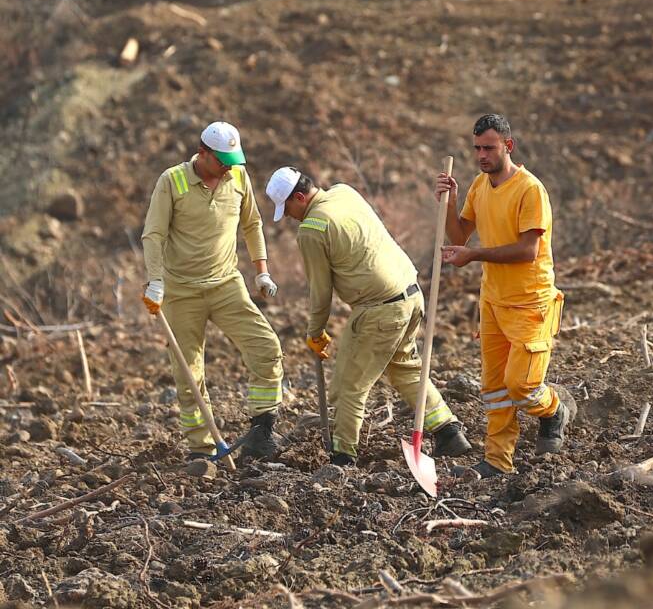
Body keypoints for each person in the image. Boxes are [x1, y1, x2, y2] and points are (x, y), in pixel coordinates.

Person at [266, 167, 471, 467]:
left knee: (349, 385)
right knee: (405, 369)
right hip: (411, 295)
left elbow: (320, 292)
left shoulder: (312, 228)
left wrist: (315, 332)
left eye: (288, 209)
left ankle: (343, 457)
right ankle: (449, 432)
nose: (288, 217)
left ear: (299, 197)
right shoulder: (344, 191)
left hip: (379, 309)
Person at [436, 114, 572, 479]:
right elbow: (459, 235)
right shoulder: (480, 186)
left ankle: (553, 410)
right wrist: (448, 201)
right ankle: (498, 460)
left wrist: (475, 256)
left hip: (531, 301)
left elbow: (528, 250)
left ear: (507, 146)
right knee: (494, 388)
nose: (481, 155)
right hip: (492, 301)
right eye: (477, 148)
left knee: (522, 385)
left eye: (489, 148)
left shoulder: (530, 189)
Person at [141, 122, 284, 460]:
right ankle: (201, 448)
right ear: (202, 153)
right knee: (189, 371)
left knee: (266, 347)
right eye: (222, 161)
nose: (228, 167)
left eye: (233, 160)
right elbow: (154, 234)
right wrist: (156, 280)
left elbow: (252, 224)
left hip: (225, 283)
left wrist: (261, 271)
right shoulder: (172, 181)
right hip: (181, 291)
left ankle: (261, 433)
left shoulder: (237, 177)